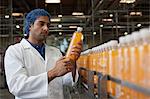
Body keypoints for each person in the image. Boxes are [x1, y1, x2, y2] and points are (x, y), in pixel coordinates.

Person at [4, 9, 82, 99]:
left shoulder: (55, 52)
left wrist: (72, 62)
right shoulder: (15, 51)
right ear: (30, 26)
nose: (46, 28)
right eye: (41, 24)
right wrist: (53, 73)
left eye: (48, 25)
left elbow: (66, 82)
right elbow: (17, 86)